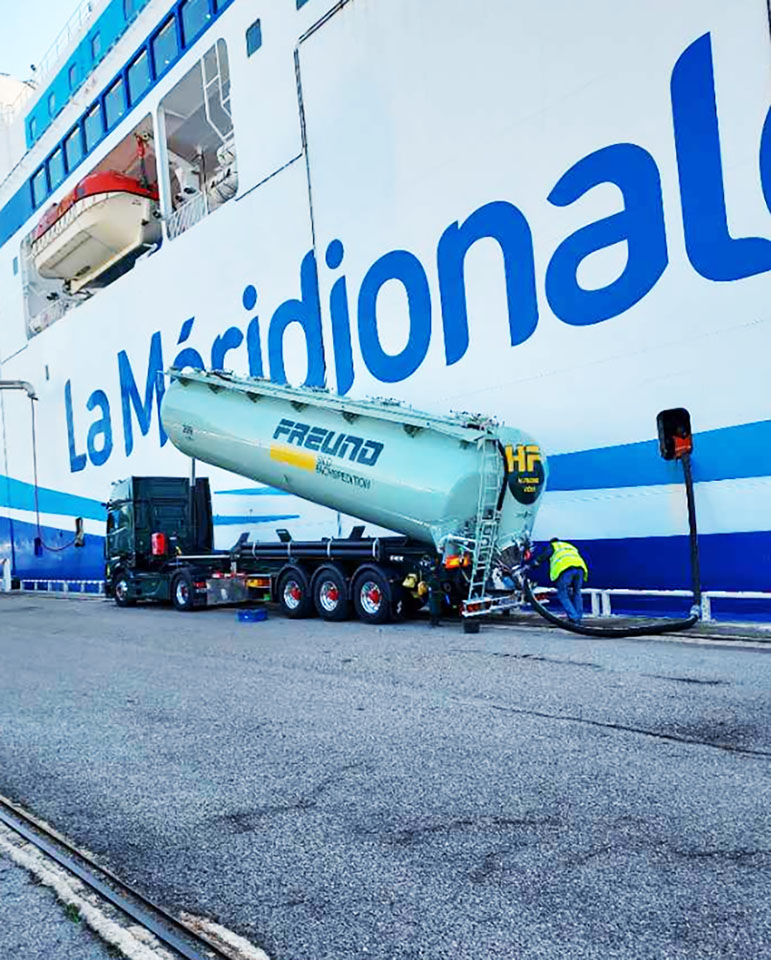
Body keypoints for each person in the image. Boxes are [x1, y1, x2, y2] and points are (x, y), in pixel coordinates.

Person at [534, 538, 589, 623]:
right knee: (577, 593)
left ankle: (573, 618)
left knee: (563, 594)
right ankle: (578, 616)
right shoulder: (570, 546)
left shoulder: (553, 546)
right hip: (580, 569)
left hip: (565, 570)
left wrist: (535, 563)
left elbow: (544, 556)